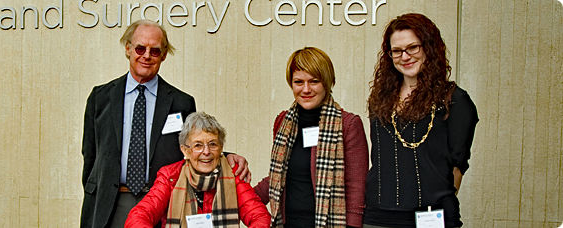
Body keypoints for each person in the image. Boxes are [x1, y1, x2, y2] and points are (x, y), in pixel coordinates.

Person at [80, 19, 250, 228]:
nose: (146, 56)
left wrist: (225, 156)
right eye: (140, 48)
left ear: (164, 55)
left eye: (155, 51)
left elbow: (193, 147)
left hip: (162, 203)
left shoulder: (181, 103)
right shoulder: (100, 97)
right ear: (128, 49)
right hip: (109, 204)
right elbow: (90, 155)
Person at [364, 13, 478, 228]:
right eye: (396, 51)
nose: (404, 56)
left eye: (413, 47)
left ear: (429, 47)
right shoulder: (379, 99)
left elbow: (457, 168)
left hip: (431, 216)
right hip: (377, 217)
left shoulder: (455, 100)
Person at [254, 47, 369, 228]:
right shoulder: (283, 122)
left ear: (327, 82)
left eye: (314, 81)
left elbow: (356, 188)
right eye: (298, 82)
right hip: (287, 224)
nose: (306, 89)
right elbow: (278, 176)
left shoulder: (348, 124)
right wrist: (242, 199)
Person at [125, 112, 271, 228]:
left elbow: (260, 217)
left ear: (221, 147)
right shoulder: (170, 176)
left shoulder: (233, 174)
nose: (206, 152)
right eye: (198, 145)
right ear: (185, 150)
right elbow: (138, 216)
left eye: (212, 144)